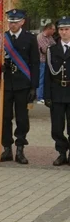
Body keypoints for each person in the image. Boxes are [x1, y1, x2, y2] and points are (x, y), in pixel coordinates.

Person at [0, 9, 40, 165]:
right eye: (10, 21)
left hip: (23, 84)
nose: (13, 24)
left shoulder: (30, 38)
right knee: (5, 118)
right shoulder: (3, 38)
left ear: (23, 22)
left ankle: (20, 148)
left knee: (22, 119)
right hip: (6, 84)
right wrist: (0, 68)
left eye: (16, 21)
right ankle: (7, 148)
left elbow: (35, 63)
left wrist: (33, 87)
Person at [44, 18, 70, 166]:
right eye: (61, 30)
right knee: (57, 127)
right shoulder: (52, 50)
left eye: (67, 29)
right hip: (57, 92)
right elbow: (47, 75)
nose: (64, 32)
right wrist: (46, 95)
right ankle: (61, 152)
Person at [37, 21, 56, 103]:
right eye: (53, 29)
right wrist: (51, 48)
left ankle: (45, 95)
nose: (54, 31)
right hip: (42, 61)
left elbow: (55, 46)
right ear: (48, 29)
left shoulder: (50, 37)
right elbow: (45, 50)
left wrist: (51, 48)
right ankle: (39, 97)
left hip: (48, 61)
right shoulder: (40, 37)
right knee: (41, 79)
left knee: (47, 79)